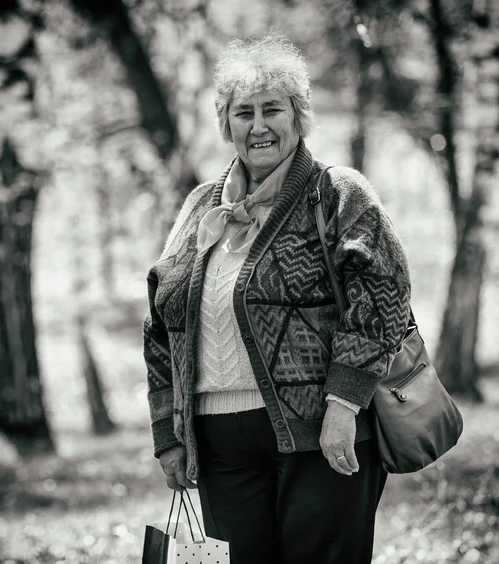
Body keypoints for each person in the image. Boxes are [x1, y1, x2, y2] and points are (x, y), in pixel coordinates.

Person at [143, 34, 411, 564]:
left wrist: (343, 404)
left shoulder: (336, 193)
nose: (258, 126)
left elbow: (382, 297)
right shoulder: (201, 207)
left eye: (273, 110)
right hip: (220, 444)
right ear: (227, 124)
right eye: (244, 113)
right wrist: (168, 434)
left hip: (323, 433)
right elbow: (160, 323)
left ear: (299, 115)